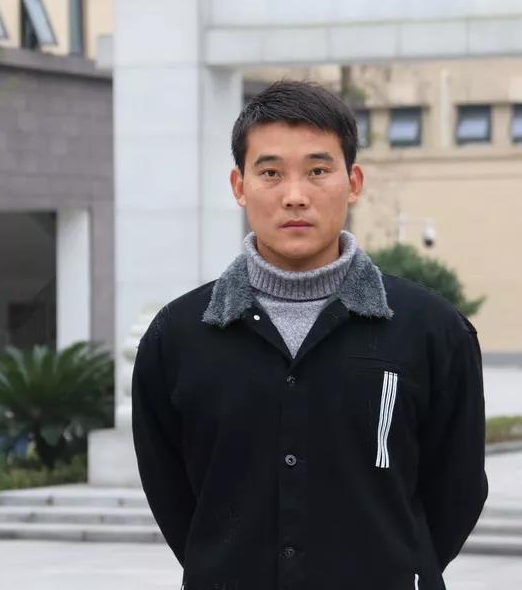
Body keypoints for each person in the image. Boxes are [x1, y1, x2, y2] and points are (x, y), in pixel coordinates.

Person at [132, 80, 487, 590]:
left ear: (353, 182)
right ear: (239, 186)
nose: (295, 196)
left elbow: (457, 490)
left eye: (318, 171)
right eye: (270, 173)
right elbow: (171, 493)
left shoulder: (431, 330)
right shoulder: (179, 337)